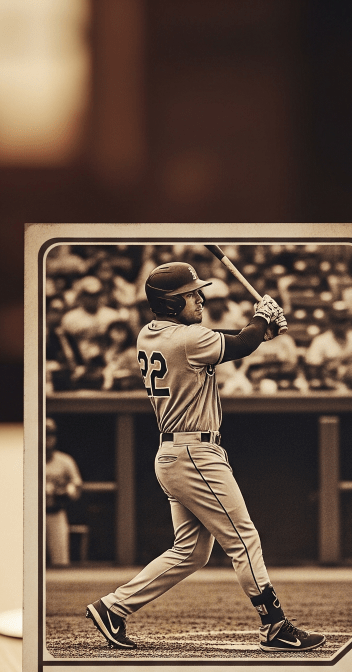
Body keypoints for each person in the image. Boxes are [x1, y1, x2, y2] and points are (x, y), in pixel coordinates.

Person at [85, 262, 325, 652]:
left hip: (175, 453)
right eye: (191, 294)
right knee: (243, 537)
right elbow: (240, 343)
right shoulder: (187, 339)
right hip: (194, 452)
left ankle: (113, 608)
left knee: (191, 551)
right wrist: (261, 319)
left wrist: (261, 330)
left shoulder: (150, 333)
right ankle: (275, 625)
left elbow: (235, 341)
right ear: (170, 302)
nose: (201, 298)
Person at [45, 419, 82, 567]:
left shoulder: (64, 461)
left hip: (56, 512)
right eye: (44, 434)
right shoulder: (27, 458)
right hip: (31, 516)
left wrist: (66, 491)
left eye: (51, 434)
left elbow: (76, 485)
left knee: (60, 561)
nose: (48, 438)